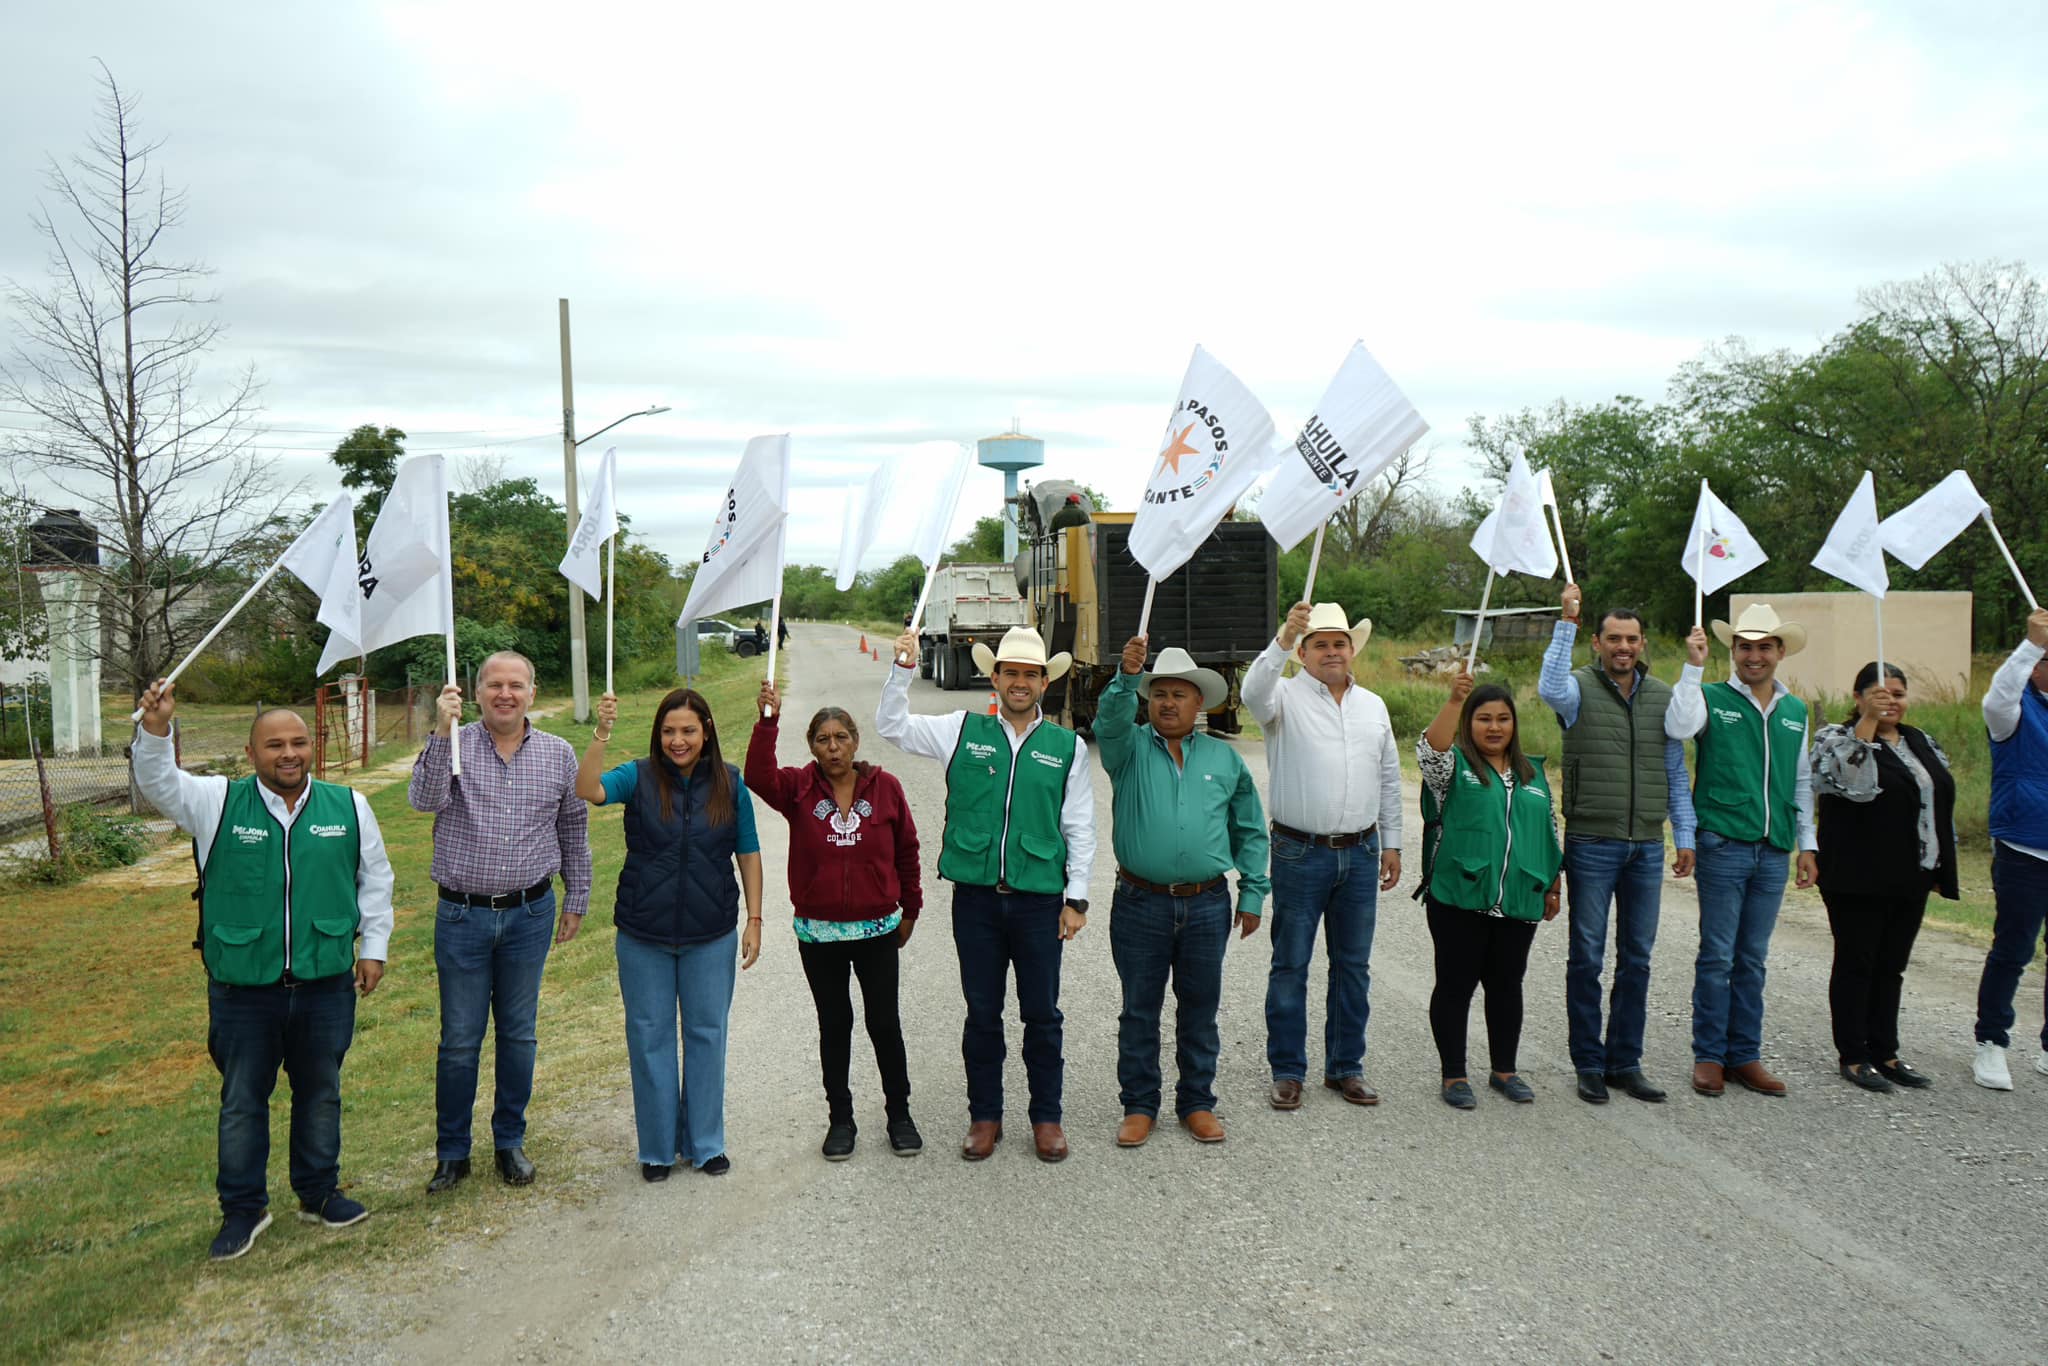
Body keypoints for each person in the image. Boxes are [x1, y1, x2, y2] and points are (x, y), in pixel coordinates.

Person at [132, 680, 393, 1261]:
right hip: (243, 989)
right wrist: (156, 730)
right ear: (252, 754)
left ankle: (319, 1192)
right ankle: (243, 1211)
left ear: (312, 747)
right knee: (243, 1101)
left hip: (325, 982)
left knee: (321, 1093)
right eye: (274, 745)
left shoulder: (349, 806)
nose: (288, 754)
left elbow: (374, 880)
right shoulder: (216, 802)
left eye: (298, 742)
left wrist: (372, 947)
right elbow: (157, 784)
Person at [880, 625, 1096, 1163]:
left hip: (1040, 903)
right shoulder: (961, 729)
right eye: (1010, 673)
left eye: (1030, 674)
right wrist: (902, 669)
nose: (1019, 683)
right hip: (976, 900)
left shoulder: (1066, 747)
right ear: (994, 677)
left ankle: (1047, 1118)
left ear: (1045, 682)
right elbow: (892, 726)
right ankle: (985, 1116)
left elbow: (1080, 828)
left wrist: (1077, 898)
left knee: (1042, 1014)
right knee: (982, 1013)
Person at [410, 652, 591, 1193]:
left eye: (516, 685)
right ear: (476, 691)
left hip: (530, 914)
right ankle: (452, 1153)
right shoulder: (454, 745)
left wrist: (577, 895)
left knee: (518, 1036)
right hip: (462, 915)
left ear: (532, 692)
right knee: (460, 1041)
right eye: (494, 685)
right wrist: (442, 733)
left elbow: (573, 830)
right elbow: (422, 800)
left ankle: (510, 1142)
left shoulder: (558, 754)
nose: (505, 694)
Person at [578, 689, 762, 1179]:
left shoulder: (730, 782)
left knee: (707, 1035)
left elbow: (748, 850)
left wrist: (756, 919)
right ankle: (657, 1149)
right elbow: (587, 789)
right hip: (643, 935)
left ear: (706, 732)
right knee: (648, 1037)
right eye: (668, 731)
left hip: (711, 933)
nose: (677, 741)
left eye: (688, 731)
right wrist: (602, 732)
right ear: (657, 735)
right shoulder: (636, 777)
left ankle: (705, 1144)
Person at [1096, 637, 1269, 1146]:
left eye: (1180, 694)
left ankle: (1196, 1102)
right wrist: (1127, 678)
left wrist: (1254, 893)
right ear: (1147, 702)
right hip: (1139, 901)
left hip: (1208, 902)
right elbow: (1109, 719)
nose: (1168, 702)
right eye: (1159, 694)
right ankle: (1139, 1105)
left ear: (1200, 704)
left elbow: (1251, 830)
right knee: (1139, 1008)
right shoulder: (1125, 750)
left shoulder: (1224, 759)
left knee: (1200, 1007)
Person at [746, 680, 923, 1160]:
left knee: (885, 1023)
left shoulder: (885, 788)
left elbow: (907, 850)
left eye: (841, 737)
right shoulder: (798, 788)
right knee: (835, 1023)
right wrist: (767, 721)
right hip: (819, 933)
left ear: (855, 741)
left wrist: (911, 908)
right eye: (823, 740)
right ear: (812, 747)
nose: (833, 747)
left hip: (877, 930)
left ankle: (899, 1115)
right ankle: (840, 1119)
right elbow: (757, 775)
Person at [1537, 586, 1697, 1105]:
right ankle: (1588, 1061)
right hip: (1592, 841)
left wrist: (1685, 833)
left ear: (1643, 642)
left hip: (1646, 845)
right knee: (1586, 957)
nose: (1623, 647)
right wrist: (1566, 621)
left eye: (1631, 639)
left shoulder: (1664, 696)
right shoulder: (1577, 688)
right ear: (1597, 643)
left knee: (1639, 958)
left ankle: (1625, 1061)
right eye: (1613, 638)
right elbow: (1548, 686)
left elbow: (1675, 769)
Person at [1241, 601, 1400, 1111]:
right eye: (1320, 644)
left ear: (1352, 650)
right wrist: (1282, 637)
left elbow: (1390, 778)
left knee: (1353, 966)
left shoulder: (1373, 705)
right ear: (1304, 653)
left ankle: (1345, 1067)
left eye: (1339, 643)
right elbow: (1251, 693)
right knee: (1291, 963)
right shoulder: (1281, 697)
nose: (1332, 652)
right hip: (1298, 850)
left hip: (1360, 851)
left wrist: (1392, 842)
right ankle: (1287, 1071)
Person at [1667, 603, 1818, 1099]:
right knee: (1718, 956)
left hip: (1773, 849)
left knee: (1752, 958)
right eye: (1746, 647)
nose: (1755, 656)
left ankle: (1745, 1054)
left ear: (1779, 652)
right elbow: (1678, 727)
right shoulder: (1710, 697)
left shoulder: (1795, 709)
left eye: (1764, 647)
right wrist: (1693, 667)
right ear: (1733, 651)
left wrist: (1806, 844)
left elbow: (1800, 781)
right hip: (1724, 841)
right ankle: (1709, 1055)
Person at [1416, 672, 1562, 1107]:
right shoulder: (1453, 768)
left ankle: (1504, 1070)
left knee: (1507, 985)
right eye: (1482, 718)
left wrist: (1553, 884)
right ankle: (1454, 1075)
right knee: (1455, 985)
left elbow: (1548, 831)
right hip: (1460, 896)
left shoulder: (1532, 773)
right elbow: (1431, 750)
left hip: (1519, 897)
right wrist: (1453, 701)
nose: (1494, 727)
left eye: (1502, 718)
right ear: (1468, 723)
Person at [1811, 662, 1957, 1092]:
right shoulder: (1835, 739)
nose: (1890, 700)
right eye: (1878, 693)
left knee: (1891, 966)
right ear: (1857, 699)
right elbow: (1853, 784)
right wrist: (1868, 724)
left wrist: (1938, 862)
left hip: (1911, 873)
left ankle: (1886, 1051)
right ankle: (1854, 1055)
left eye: (1897, 693)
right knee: (1858, 963)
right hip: (1857, 874)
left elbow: (1936, 799)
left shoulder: (1919, 740)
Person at [1972, 607, 2048, 1090]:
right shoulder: (2012, 709)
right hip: (2024, 847)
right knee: (2013, 949)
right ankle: (1992, 1042)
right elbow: (1997, 695)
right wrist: (2030, 643)